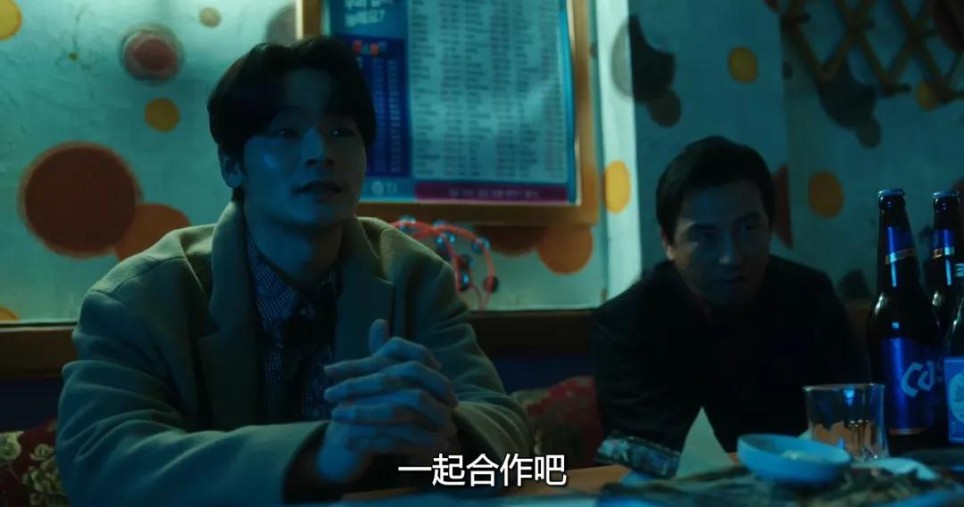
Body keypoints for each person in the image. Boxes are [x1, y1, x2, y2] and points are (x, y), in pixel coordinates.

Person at [55, 36, 532, 506]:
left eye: (341, 132)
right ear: (232, 166)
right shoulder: (141, 298)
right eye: (286, 132)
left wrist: (446, 442)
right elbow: (99, 464)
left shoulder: (414, 276)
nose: (320, 152)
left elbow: (513, 439)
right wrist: (320, 456)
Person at [590, 136, 870, 476]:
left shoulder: (810, 296)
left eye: (748, 228)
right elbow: (656, 448)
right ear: (668, 242)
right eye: (706, 236)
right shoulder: (625, 324)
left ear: (770, 227)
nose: (731, 257)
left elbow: (852, 415)